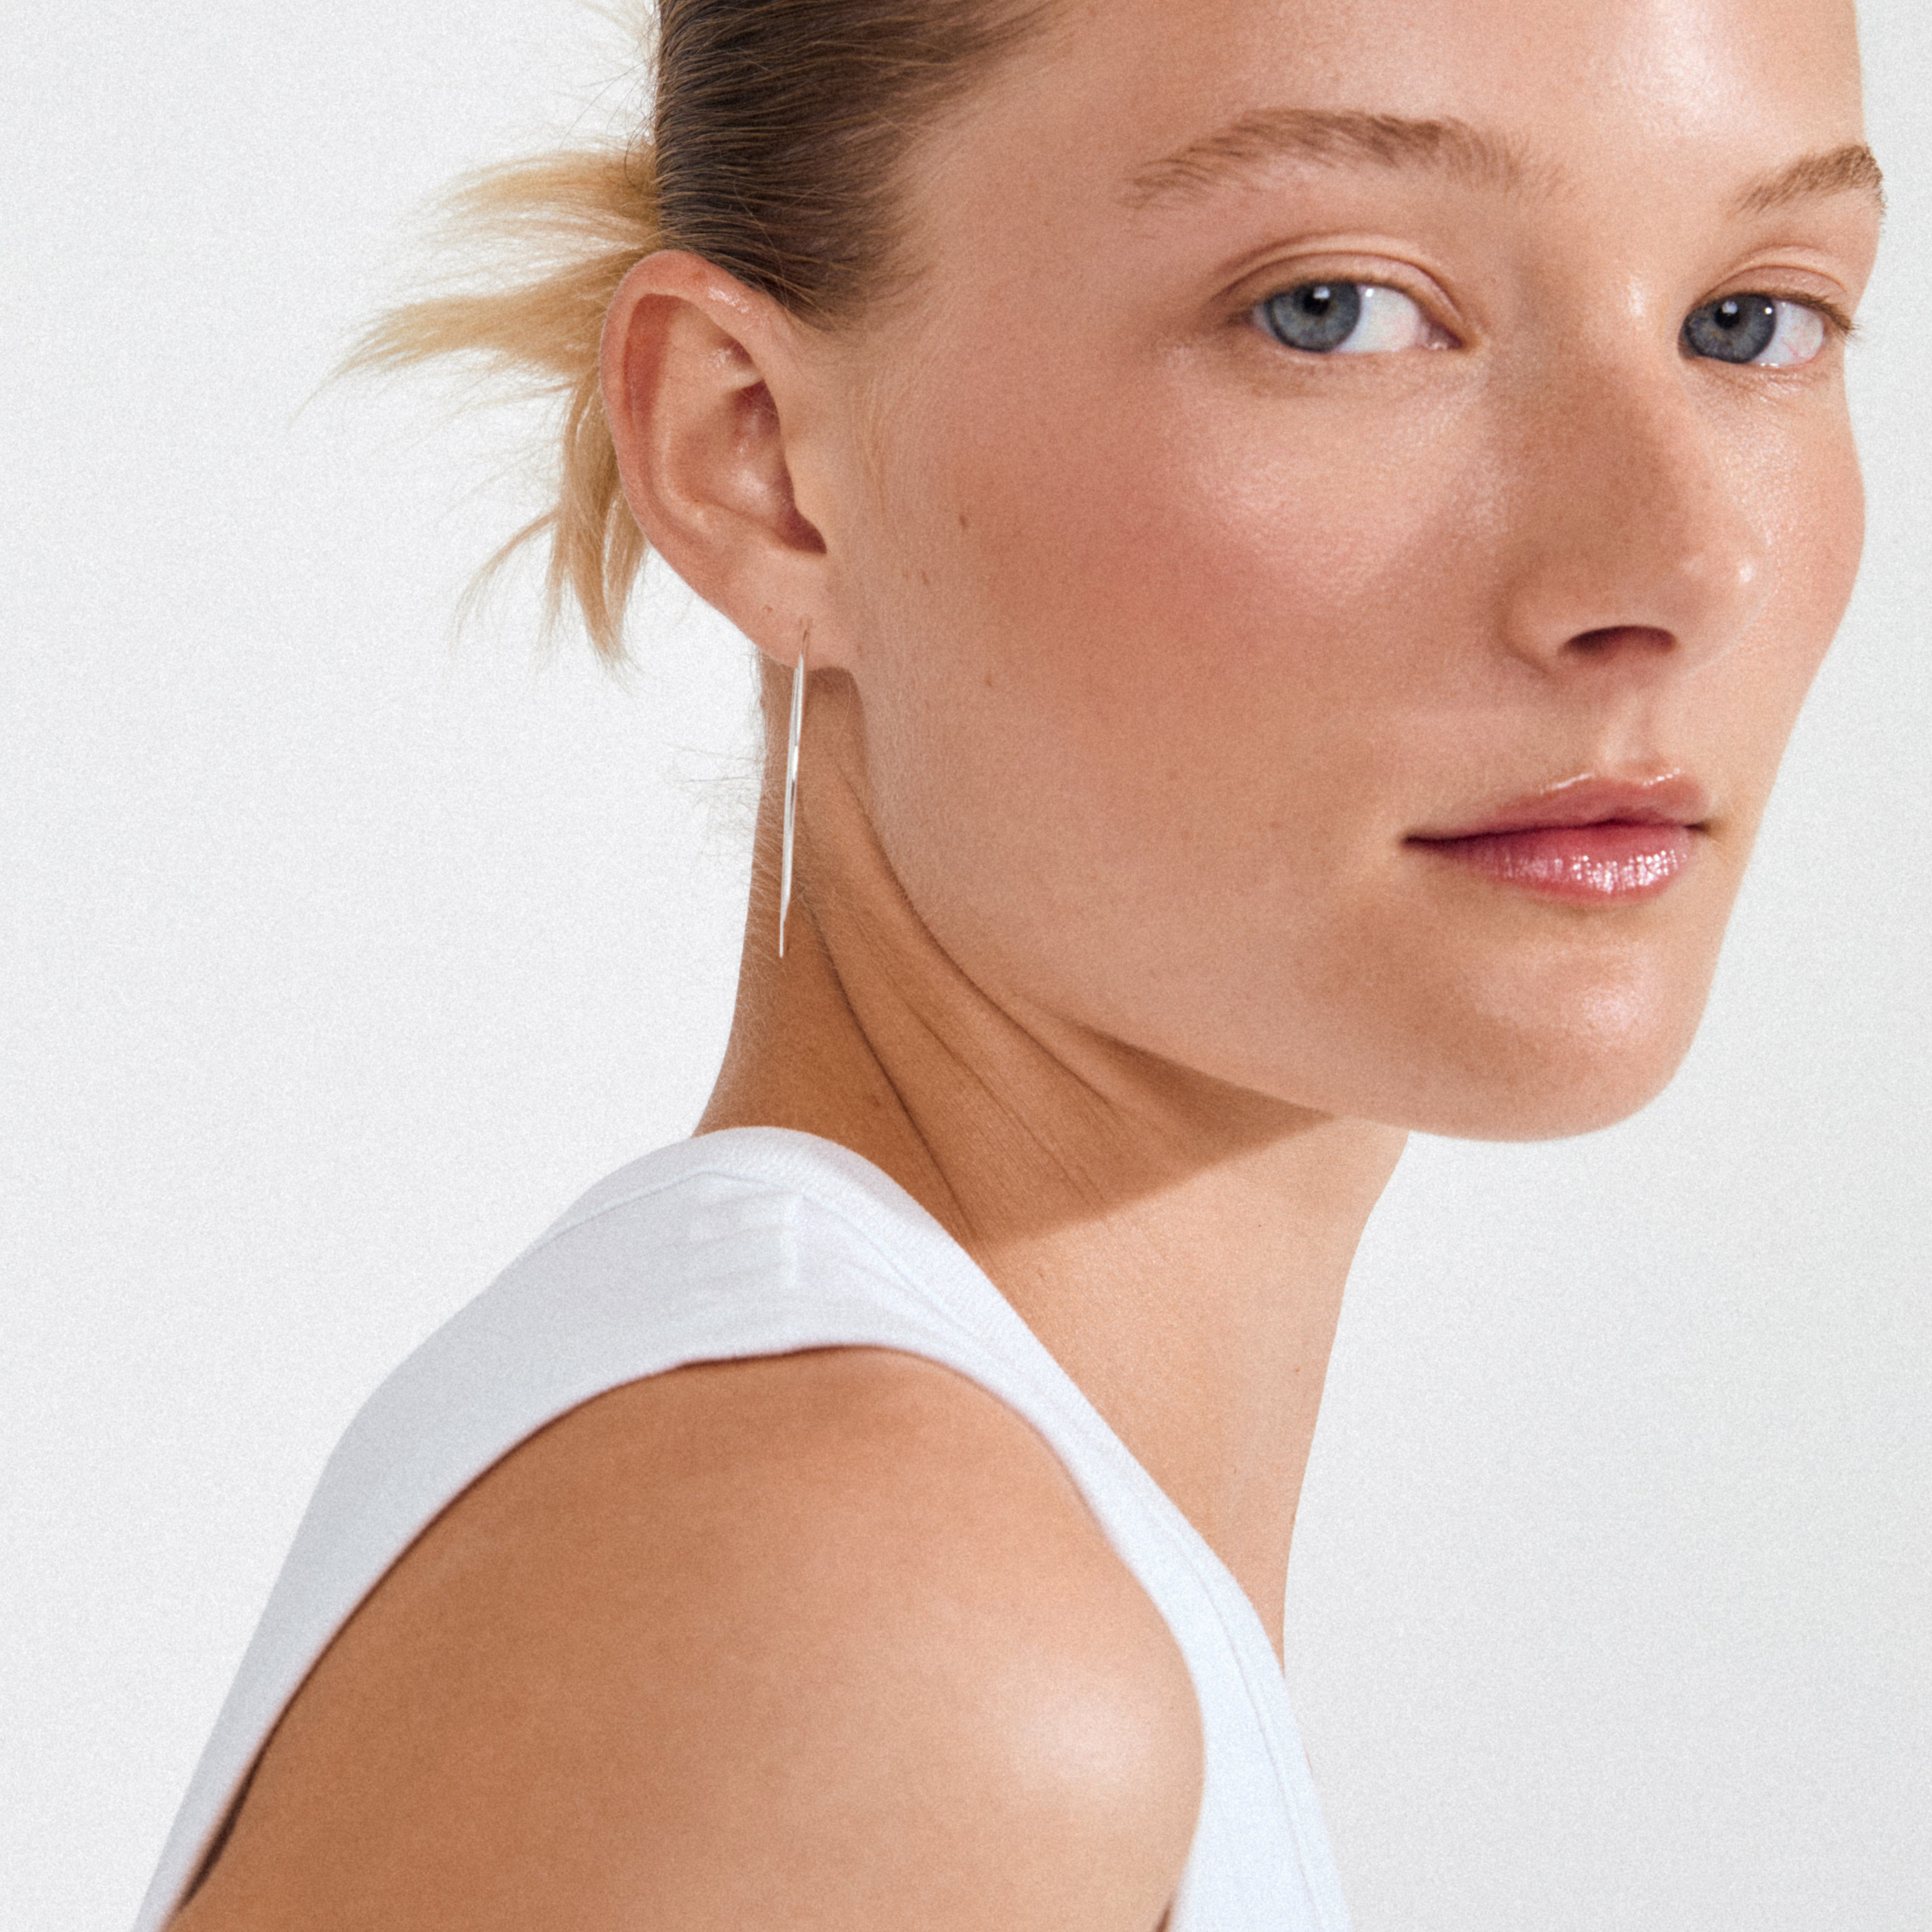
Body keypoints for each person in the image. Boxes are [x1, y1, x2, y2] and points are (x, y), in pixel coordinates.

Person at [139, 0, 1884, 1925]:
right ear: (758, 457)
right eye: (1332, 309)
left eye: (1752, 320)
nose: (1666, 561)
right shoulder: (876, 1627)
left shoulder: (830, 1512)